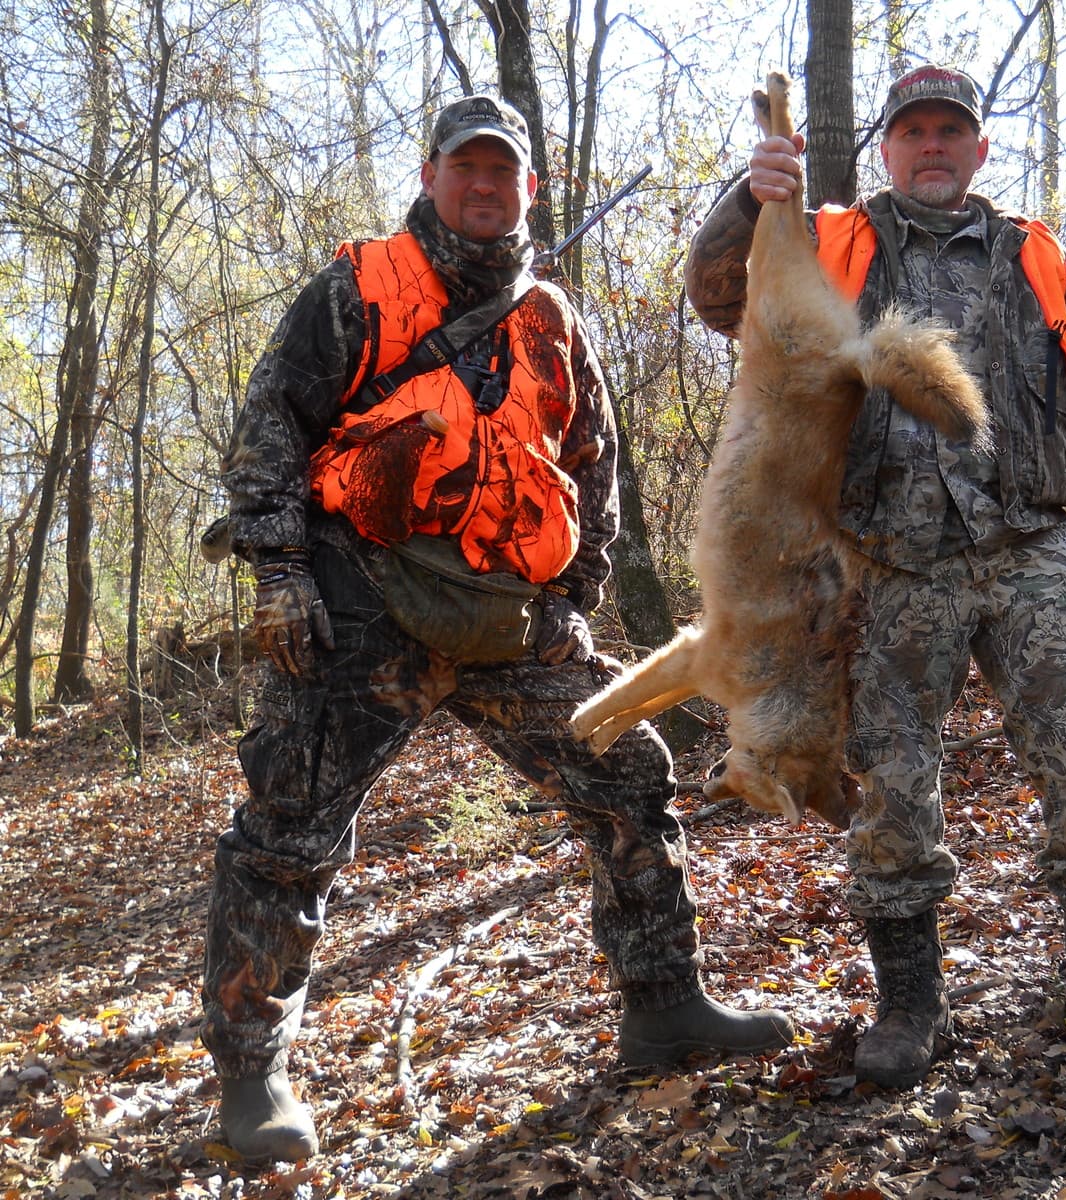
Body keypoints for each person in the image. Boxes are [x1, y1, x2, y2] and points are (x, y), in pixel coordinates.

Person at [204, 93, 791, 1162]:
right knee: (287, 833)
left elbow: (593, 471)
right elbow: (270, 428)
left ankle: (664, 1006)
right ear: (431, 176)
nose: (485, 187)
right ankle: (252, 1078)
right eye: (465, 167)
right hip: (361, 603)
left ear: (527, 185)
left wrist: (574, 605)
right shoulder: (356, 289)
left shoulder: (554, 322)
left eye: (504, 171)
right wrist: (280, 570)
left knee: (629, 774)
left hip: (514, 620)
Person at [684, 66, 1066, 1089]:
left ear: (977, 149)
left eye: (949, 133)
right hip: (885, 563)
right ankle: (909, 1003)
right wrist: (750, 197)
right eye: (913, 132)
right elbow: (714, 300)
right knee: (889, 780)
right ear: (885, 149)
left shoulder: (1036, 254)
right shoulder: (831, 242)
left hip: (1032, 545)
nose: (932, 146)